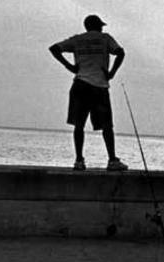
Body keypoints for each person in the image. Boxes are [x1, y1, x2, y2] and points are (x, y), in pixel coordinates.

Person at [49, 14, 127, 171]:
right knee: (107, 126)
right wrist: (111, 73)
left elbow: (54, 49)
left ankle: (79, 160)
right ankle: (112, 160)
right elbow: (120, 53)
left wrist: (69, 66)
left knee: (79, 125)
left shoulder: (77, 40)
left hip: (80, 85)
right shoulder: (105, 39)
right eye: (101, 26)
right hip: (99, 87)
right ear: (98, 26)